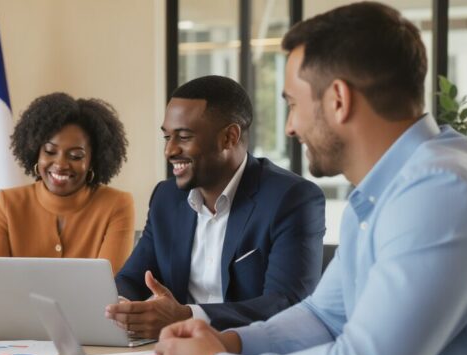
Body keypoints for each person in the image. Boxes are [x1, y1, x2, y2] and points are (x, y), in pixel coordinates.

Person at [151, 3, 467, 355]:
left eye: (293, 104)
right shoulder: (386, 188)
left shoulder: (439, 192)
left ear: (337, 99)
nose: (290, 127)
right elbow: (324, 317)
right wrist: (230, 343)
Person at [106, 75, 325, 337]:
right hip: (168, 352)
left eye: (184, 137)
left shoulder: (292, 199)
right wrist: (122, 306)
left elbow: (287, 305)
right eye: (167, 137)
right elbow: (132, 278)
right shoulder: (166, 198)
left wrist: (188, 316)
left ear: (229, 137)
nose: (170, 151)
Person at [0, 92, 134, 273]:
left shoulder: (116, 205)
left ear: (94, 160)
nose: (60, 164)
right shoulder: (7, 204)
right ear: (36, 152)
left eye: (76, 156)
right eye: (50, 151)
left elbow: (110, 287)